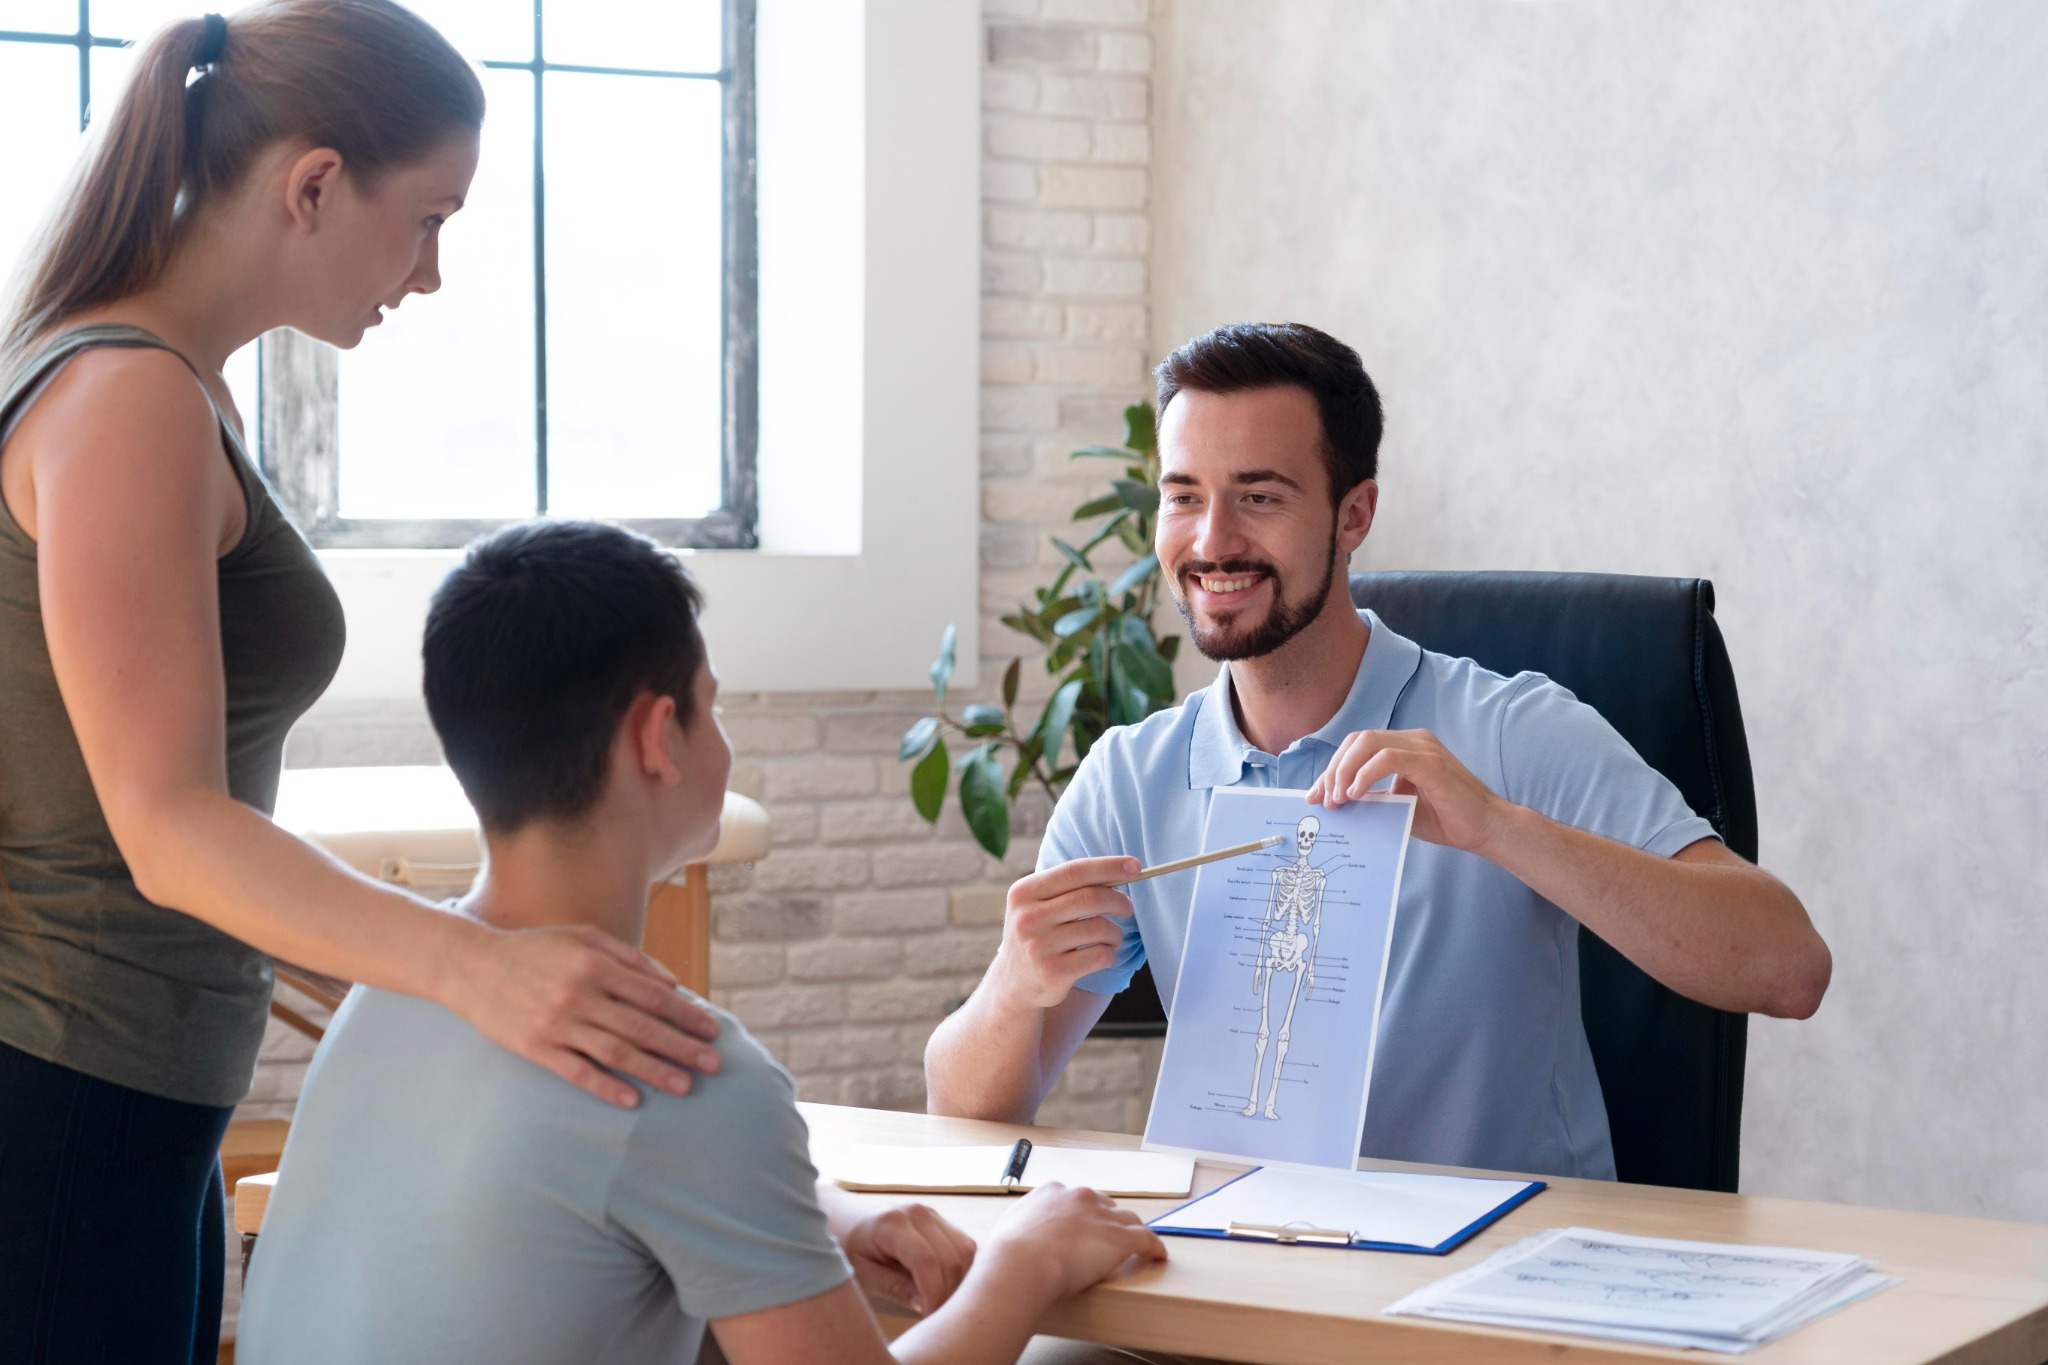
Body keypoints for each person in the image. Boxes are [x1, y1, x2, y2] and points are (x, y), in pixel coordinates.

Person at [0, 9, 723, 1361]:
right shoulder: (124, 395)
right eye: (429, 219)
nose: (432, 274)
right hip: (64, 1090)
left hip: (130, 1082)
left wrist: (448, 987)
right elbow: (167, 829)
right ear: (317, 184)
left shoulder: (173, 388)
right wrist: (475, 966)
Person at [237, 521, 1168, 1365]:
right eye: (710, 707)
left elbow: (609, 1186)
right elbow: (667, 1143)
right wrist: (1025, 1261)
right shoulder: (677, 1065)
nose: (720, 738)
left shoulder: (388, 994)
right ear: (658, 736)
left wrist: (825, 1213)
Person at [926, 322, 1833, 1183]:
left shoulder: (1509, 730)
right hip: (1240, 1255)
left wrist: (1499, 828)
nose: (1212, 541)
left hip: (1490, 1270)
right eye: (1184, 496)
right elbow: (964, 1114)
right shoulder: (1131, 778)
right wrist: (1011, 985)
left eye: (1259, 497)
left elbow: (1791, 967)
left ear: (1353, 513)